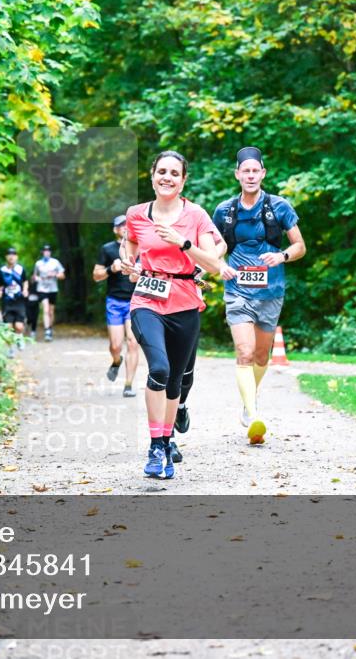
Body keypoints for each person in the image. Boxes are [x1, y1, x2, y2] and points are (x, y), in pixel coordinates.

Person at [120, 151, 227, 479]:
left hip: (184, 303)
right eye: (161, 171)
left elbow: (214, 263)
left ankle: (166, 442)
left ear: (183, 180)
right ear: (152, 175)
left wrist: (183, 243)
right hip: (147, 301)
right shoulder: (136, 214)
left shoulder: (195, 215)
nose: (167, 177)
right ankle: (155, 446)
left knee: (175, 382)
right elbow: (131, 245)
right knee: (160, 369)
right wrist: (129, 263)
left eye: (174, 173)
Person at [211, 146, 305, 445]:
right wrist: (219, 265)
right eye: (245, 171)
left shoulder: (279, 206)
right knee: (245, 352)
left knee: (262, 355)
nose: (250, 175)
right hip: (237, 290)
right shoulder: (225, 211)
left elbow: (300, 246)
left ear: (263, 174)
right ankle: (253, 415)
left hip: (271, 291)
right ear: (237, 174)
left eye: (255, 170)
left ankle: (248, 400)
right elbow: (214, 246)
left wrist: (282, 256)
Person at [93, 214, 140, 398]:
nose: (125, 227)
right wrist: (111, 269)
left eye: (128, 225)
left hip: (136, 301)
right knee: (115, 345)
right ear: (115, 229)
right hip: (115, 302)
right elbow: (96, 275)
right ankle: (116, 360)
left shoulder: (141, 248)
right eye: (121, 225)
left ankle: (128, 385)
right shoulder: (107, 249)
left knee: (133, 343)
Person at [0, 247, 30, 353]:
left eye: (13, 255)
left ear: (16, 257)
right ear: (6, 257)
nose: (11, 257)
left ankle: (19, 338)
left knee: (19, 326)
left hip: (19, 301)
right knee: (8, 327)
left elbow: (25, 281)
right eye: (9, 254)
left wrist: (25, 290)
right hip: (7, 301)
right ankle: (10, 349)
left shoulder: (21, 269)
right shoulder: (1, 271)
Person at [32, 244, 65, 342]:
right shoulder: (38, 263)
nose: (47, 252)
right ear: (42, 252)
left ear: (50, 252)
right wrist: (37, 278)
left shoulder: (55, 262)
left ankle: (50, 328)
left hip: (53, 289)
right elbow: (34, 276)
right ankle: (47, 331)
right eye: (45, 251)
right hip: (42, 289)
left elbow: (62, 275)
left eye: (48, 251)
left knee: (51, 311)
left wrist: (55, 274)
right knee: (45, 309)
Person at [25, 275, 41, 339]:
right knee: (29, 317)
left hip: (36, 304)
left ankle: (33, 331)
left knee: (35, 318)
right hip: (28, 304)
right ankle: (28, 324)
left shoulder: (38, 284)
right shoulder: (27, 284)